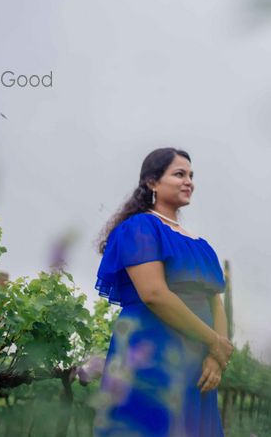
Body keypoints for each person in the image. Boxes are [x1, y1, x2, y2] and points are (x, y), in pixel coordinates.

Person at [93, 148, 233, 436]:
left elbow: (216, 302)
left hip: (198, 362)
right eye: (179, 174)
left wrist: (216, 358)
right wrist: (214, 342)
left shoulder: (202, 244)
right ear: (152, 182)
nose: (188, 181)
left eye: (191, 176)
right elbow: (154, 293)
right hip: (150, 351)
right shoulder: (140, 227)